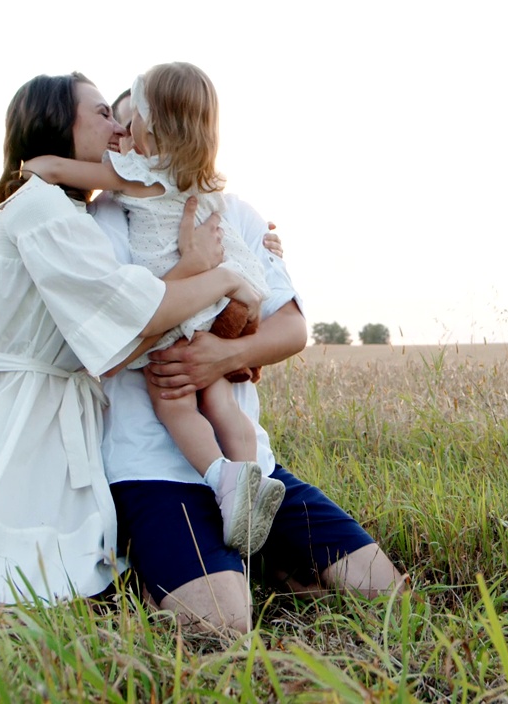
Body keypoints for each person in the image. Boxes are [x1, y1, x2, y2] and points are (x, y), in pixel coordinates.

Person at [0, 72, 261, 606]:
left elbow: (122, 321)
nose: (118, 125)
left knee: (71, 573)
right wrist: (219, 276)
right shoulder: (39, 207)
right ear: (58, 122)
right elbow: (128, 314)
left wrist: (210, 265)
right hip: (22, 412)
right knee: (0, 580)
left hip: (61, 406)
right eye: (101, 112)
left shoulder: (69, 211)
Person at [94, 79, 406, 637]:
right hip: (154, 471)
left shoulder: (234, 211)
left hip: (252, 473)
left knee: (386, 591)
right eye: (118, 129)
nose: (127, 140)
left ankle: (264, 556)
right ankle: (161, 568)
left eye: (135, 124)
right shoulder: (106, 222)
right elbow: (108, 342)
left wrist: (219, 357)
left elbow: (291, 327)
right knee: (223, 624)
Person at [23, 63, 282, 557]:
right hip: (217, 300)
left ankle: (223, 480)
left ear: (150, 127)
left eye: (131, 118)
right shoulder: (201, 184)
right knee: (220, 402)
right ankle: (248, 477)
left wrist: (35, 168)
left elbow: (65, 170)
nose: (123, 130)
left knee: (173, 402)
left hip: (177, 305)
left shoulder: (138, 178)